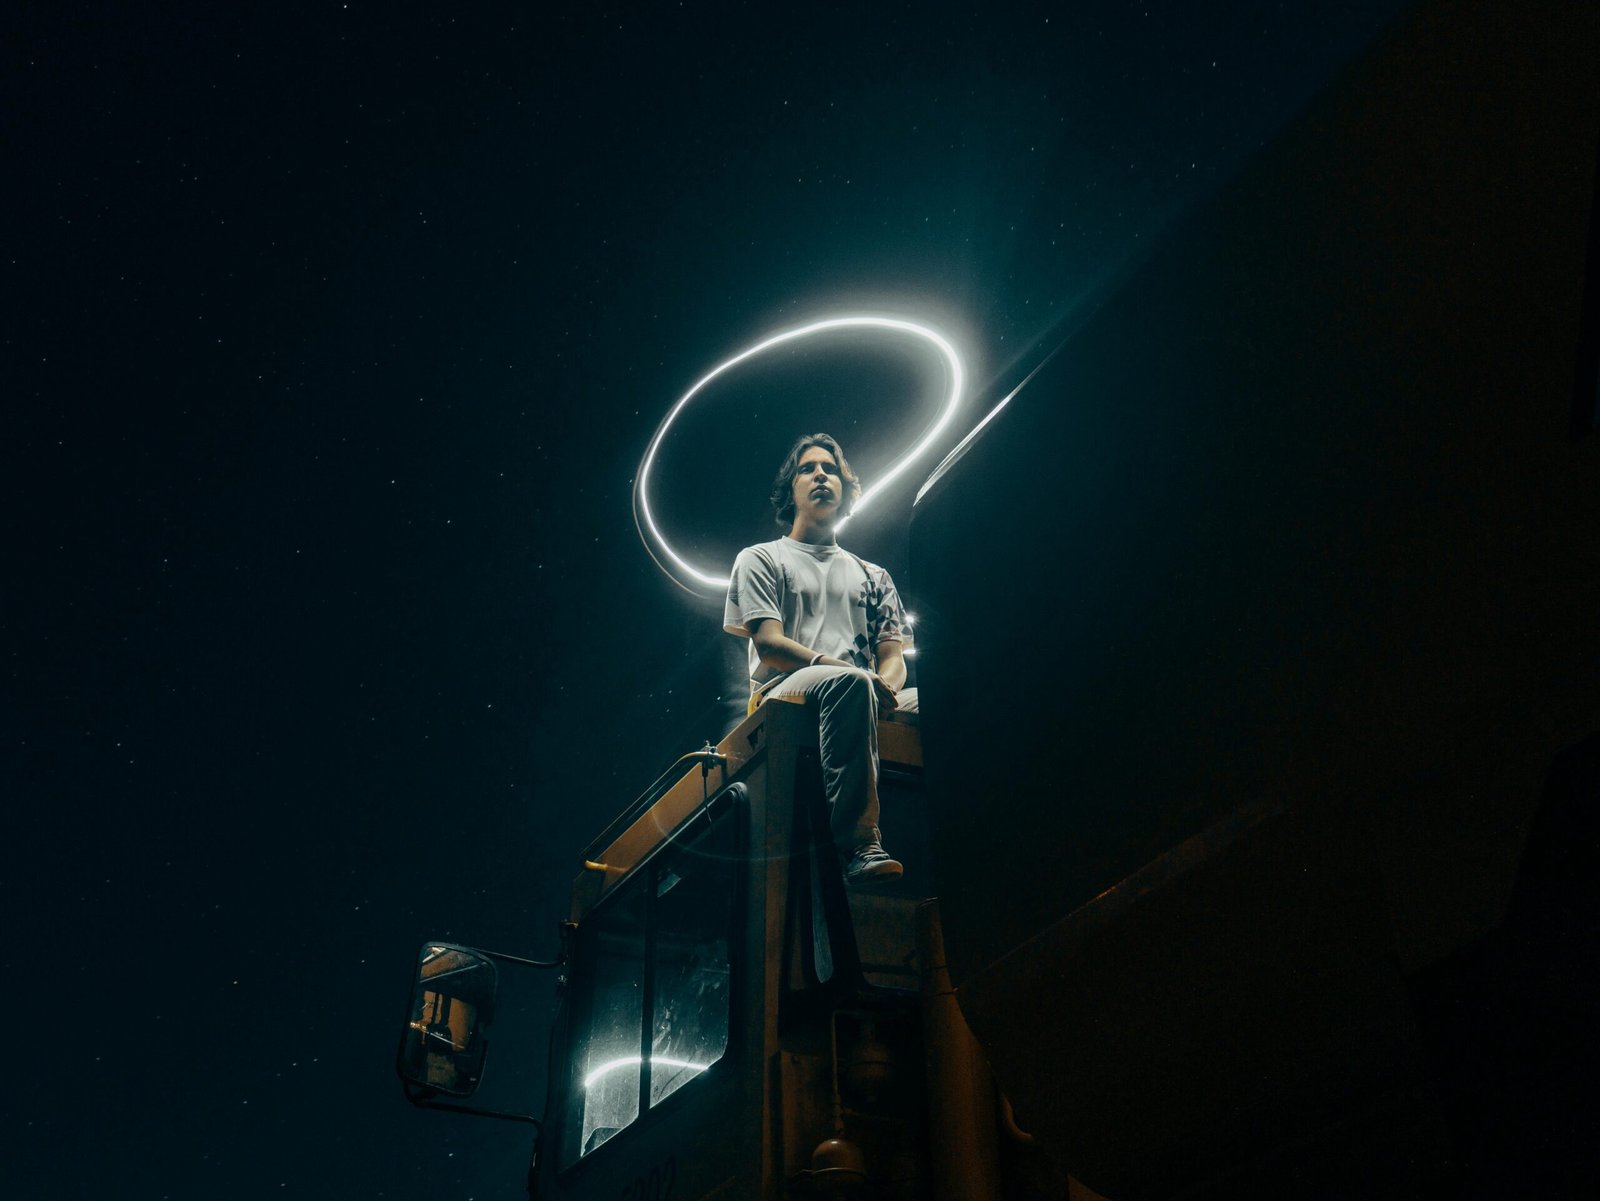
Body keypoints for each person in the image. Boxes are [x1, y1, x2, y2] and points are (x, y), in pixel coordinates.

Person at [723, 433, 917, 883]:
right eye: (808, 468)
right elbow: (769, 644)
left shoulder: (873, 575)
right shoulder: (761, 558)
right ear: (790, 490)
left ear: (845, 490)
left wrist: (886, 684)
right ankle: (859, 844)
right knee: (852, 683)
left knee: (940, 699)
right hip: (782, 692)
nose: (821, 476)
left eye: (830, 469)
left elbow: (893, 655)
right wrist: (848, 671)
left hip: (860, 689)